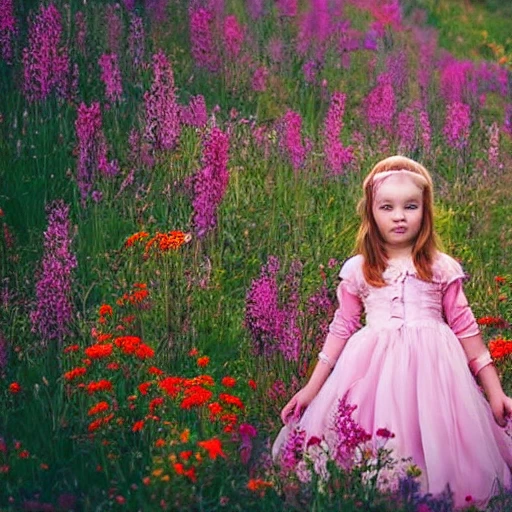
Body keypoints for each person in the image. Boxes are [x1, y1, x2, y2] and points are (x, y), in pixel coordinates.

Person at [272, 155, 512, 508]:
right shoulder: (359, 269)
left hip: (434, 374)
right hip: (373, 370)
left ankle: (436, 493)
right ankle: (379, 495)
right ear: (371, 213)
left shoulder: (439, 267)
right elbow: (341, 328)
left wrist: (495, 393)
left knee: (433, 435)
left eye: (410, 206)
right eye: (387, 207)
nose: (399, 216)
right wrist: (310, 389)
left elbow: (468, 334)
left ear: (424, 211)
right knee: (375, 441)